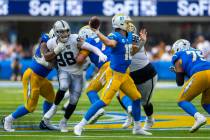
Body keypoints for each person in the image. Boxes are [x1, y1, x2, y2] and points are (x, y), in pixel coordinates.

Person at [74, 14, 152, 136]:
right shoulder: (114, 36)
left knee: (136, 98)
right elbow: (110, 43)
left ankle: (137, 127)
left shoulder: (129, 35)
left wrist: (142, 42)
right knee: (104, 101)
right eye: (126, 23)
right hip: (114, 74)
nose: (129, 25)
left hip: (124, 75)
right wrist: (97, 32)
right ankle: (80, 125)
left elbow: (132, 51)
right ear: (120, 24)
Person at [40, 20, 107, 132]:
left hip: (78, 73)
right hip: (64, 70)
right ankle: (54, 108)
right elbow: (46, 56)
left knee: (73, 101)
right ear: (56, 32)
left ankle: (64, 122)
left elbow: (90, 47)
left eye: (66, 31)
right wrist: (55, 51)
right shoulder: (51, 42)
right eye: (62, 32)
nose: (65, 34)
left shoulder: (74, 38)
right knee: (63, 86)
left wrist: (100, 54)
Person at [2, 29, 56, 132]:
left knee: (51, 97)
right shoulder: (45, 42)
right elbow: (48, 57)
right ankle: (7, 120)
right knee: (30, 107)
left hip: (41, 78)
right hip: (33, 76)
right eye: (60, 34)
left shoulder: (54, 45)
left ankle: (45, 123)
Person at [117, 23, 158, 130]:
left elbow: (130, 50)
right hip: (130, 75)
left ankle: (150, 119)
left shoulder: (134, 38)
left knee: (144, 102)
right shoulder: (120, 38)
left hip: (145, 74)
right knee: (120, 95)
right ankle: (129, 116)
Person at [171, 39, 209, 133]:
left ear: (177, 48)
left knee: (182, 100)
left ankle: (199, 117)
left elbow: (179, 82)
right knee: (206, 104)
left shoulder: (178, 56)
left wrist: (177, 72)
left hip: (201, 75)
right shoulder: (196, 51)